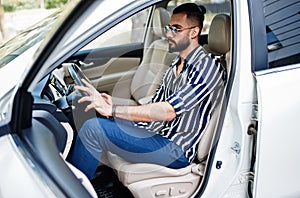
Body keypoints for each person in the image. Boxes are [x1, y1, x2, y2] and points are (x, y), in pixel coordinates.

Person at [68, 3, 226, 179]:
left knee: (93, 129)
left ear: (194, 32)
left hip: (174, 148)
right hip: (155, 131)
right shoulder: (175, 65)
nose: (168, 34)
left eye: (176, 29)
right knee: (91, 112)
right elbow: (154, 104)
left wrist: (113, 110)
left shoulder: (208, 66)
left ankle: (72, 190)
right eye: (168, 28)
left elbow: (168, 111)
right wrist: (112, 103)